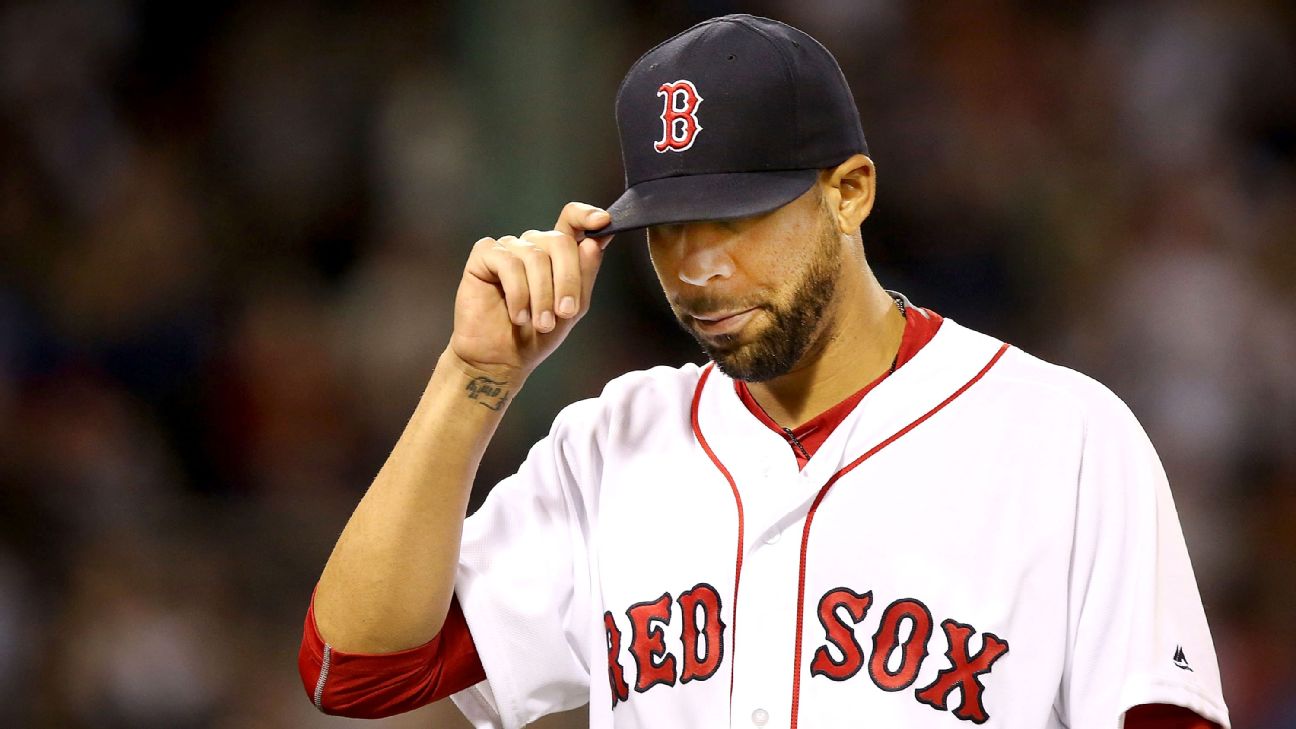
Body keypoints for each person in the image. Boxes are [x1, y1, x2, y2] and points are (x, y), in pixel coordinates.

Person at [299, 14, 1229, 729]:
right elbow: (356, 667)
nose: (699, 268)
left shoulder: (1062, 438)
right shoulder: (608, 444)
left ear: (848, 192)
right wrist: (474, 376)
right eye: (667, 229)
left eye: (736, 218)